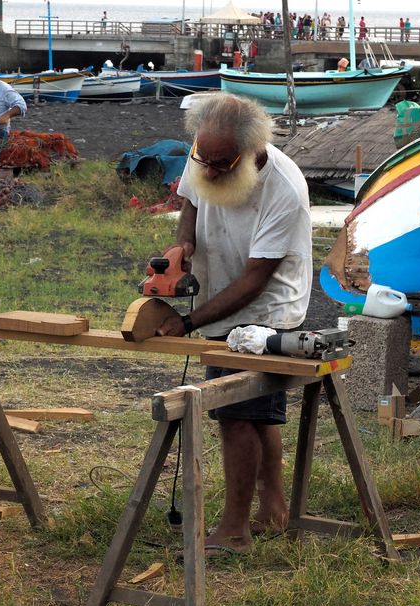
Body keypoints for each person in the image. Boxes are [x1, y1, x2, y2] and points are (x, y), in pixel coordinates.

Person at [154, 93, 312, 556]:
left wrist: (188, 321)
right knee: (258, 413)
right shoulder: (207, 151)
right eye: (205, 159)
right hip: (219, 293)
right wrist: (181, 250)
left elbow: (256, 279)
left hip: (266, 310)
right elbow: (191, 202)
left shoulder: (284, 187)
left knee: (235, 416)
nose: (211, 169)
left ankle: (235, 530)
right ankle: (273, 508)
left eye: (222, 163)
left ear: (249, 151)